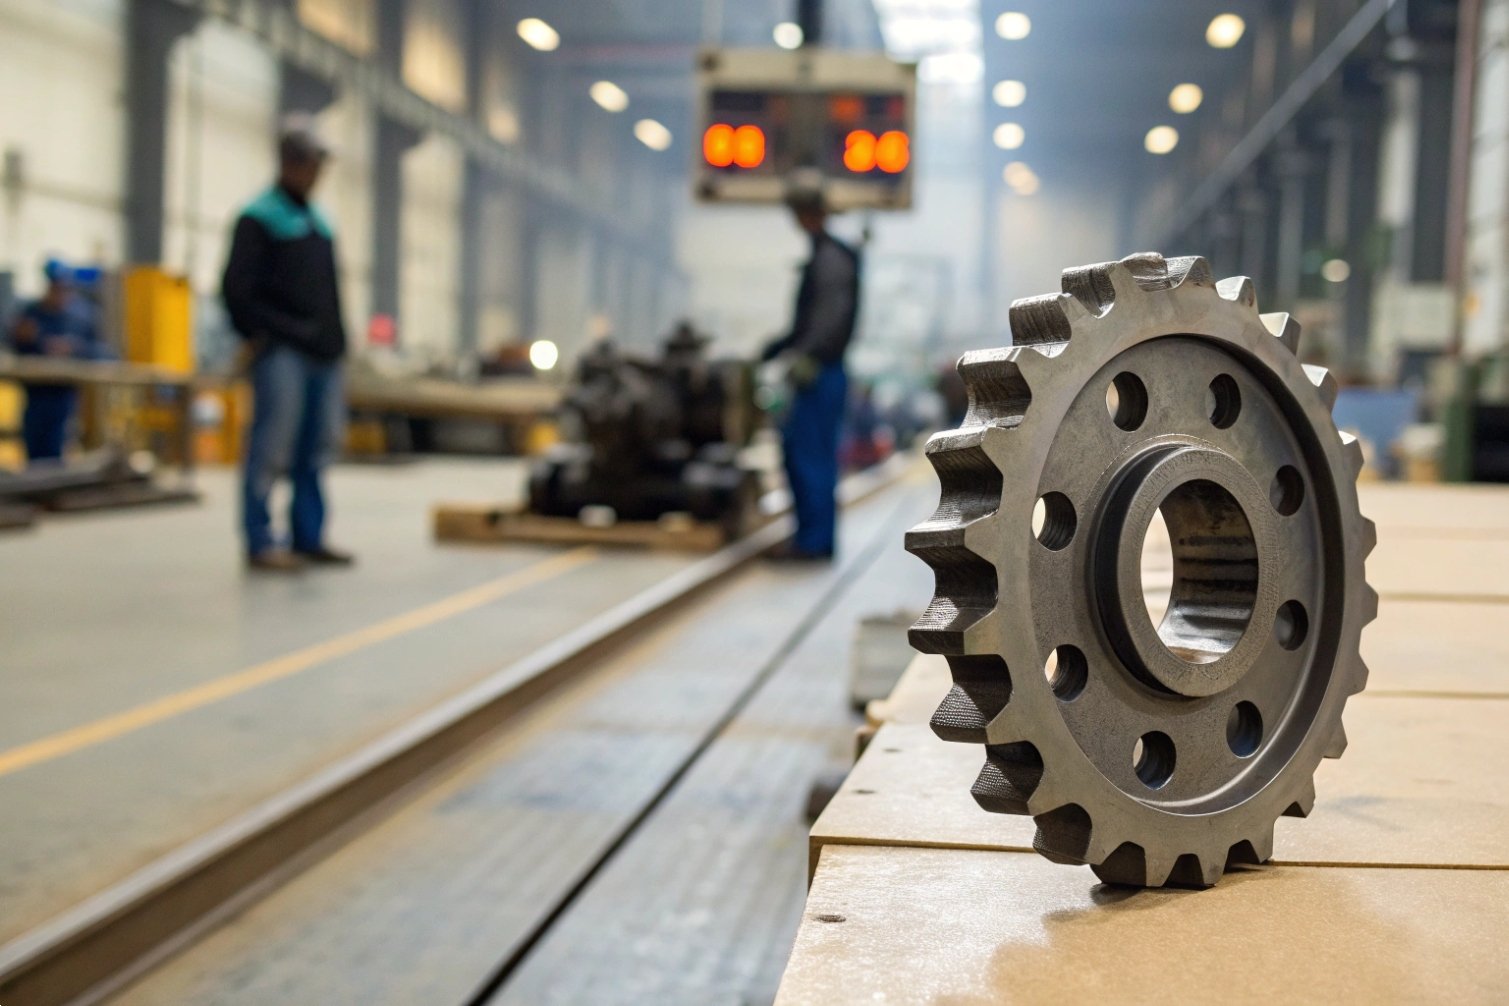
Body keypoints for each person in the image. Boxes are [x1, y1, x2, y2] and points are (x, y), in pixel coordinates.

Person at [222, 116, 353, 572]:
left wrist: (336, 343)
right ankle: (260, 540)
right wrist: (274, 335)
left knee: (316, 448)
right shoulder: (259, 219)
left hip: (323, 355)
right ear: (291, 162)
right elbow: (237, 293)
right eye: (312, 162)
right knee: (272, 446)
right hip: (283, 354)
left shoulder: (318, 222)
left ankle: (308, 536)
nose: (317, 172)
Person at [762, 185, 861, 561]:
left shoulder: (831, 258)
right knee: (800, 452)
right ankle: (809, 536)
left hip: (821, 372)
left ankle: (814, 543)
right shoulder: (825, 254)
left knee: (811, 456)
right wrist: (781, 345)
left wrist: (802, 352)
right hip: (818, 368)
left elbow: (828, 320)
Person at [5, 259, 106, 464]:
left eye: (63, 289)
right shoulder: (32, 313)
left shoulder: (80, 318)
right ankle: (34, 489)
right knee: (34, 450)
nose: (58, 294)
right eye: (54, 288)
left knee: (56, 450)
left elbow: (102, 352)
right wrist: (23, 338)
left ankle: (53, 489)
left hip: (63, 396)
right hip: (35, 395)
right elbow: (16, 345)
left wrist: (73, 348)